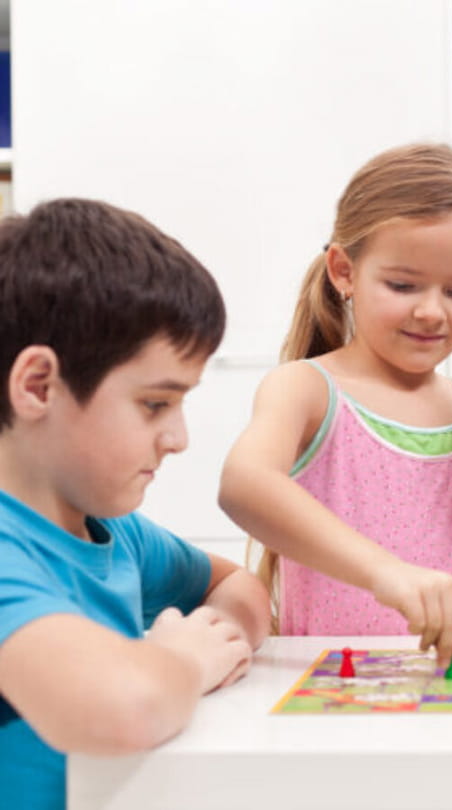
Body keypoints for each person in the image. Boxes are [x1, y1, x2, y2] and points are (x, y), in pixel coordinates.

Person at [219, 143, 452, 665]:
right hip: (332, 690)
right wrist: (387, 574)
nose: (432, 311)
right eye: (403, 285)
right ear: (343, 271)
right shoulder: (306, 389)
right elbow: (242, 485)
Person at [0, 198, 272, 810]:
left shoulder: (115, 531)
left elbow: (241, 588)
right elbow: (119, 708)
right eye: (155, 404)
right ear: (38, 386)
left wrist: (214, 639)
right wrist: (183, 663)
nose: (178, 438)